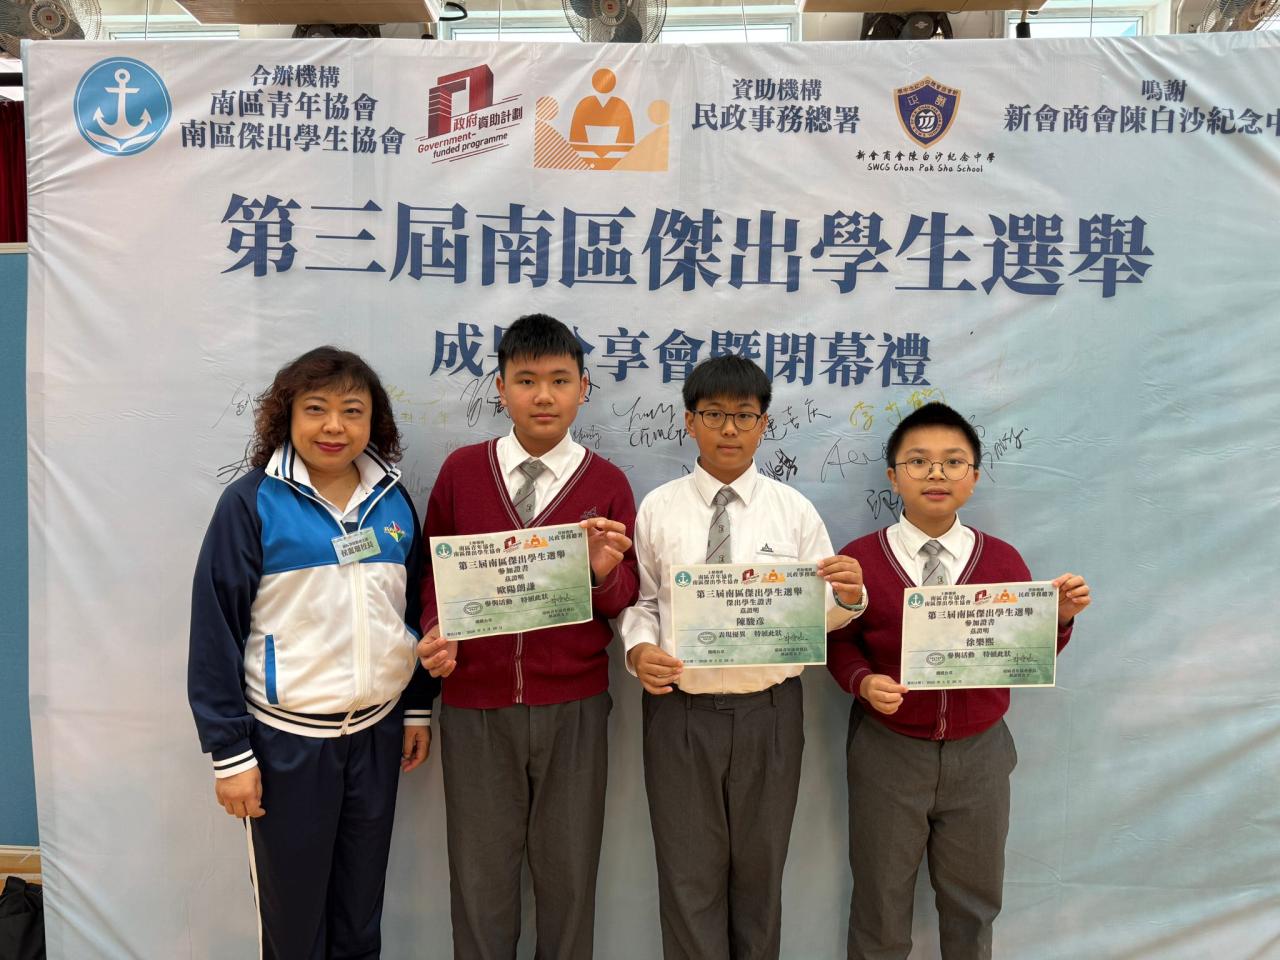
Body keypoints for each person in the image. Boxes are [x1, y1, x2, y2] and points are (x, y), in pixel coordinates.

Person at [188, 346, 437, 960]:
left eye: (352, 411)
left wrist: (416, 709)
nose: (334, 426)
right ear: (287, 416)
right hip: (286, 746)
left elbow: (411, 613)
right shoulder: (251, 503)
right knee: (295, 930)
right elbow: (216, 629)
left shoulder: (393, 502)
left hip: (376, 738)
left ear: (374, 421)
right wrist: (230, 754)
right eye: (316, 409)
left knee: (359, 921)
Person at [618, 354, 866, 960]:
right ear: (689, 421)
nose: (729, 428)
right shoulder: (658, 508)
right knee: (687, 878)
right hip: (679, 713)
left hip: (770, 713)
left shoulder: (794, 511)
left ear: (763, 424)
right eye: (714, 414)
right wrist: (639, 648)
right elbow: (643, 601)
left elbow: (818, 616)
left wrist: (848, 597)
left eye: (744, 416)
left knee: (760, 875)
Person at [827, 401, 1092, 960]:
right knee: (879, 904)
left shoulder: (1002, 561)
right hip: (888, 750)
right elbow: (838, 640)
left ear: (973, 477)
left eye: (953, 462)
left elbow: (1023, 652)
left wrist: (1059, 618)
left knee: (973, 905)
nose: (936, 474)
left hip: (981, 754)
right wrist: (863, 682)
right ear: (893, 475)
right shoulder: (860, 559)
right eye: (918, 461)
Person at [415, 313, 639, 960]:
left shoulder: (607, 483)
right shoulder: (462, 472)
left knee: (569, 878)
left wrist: (601, 573)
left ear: (584, 389)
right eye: (527, 380)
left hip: (575, 706)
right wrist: (435, 628)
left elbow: (625, 598)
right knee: (480, 880)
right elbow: (432, 573)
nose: (544, 395)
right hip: (475, 704)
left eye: (560, 380)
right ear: (501, 387)